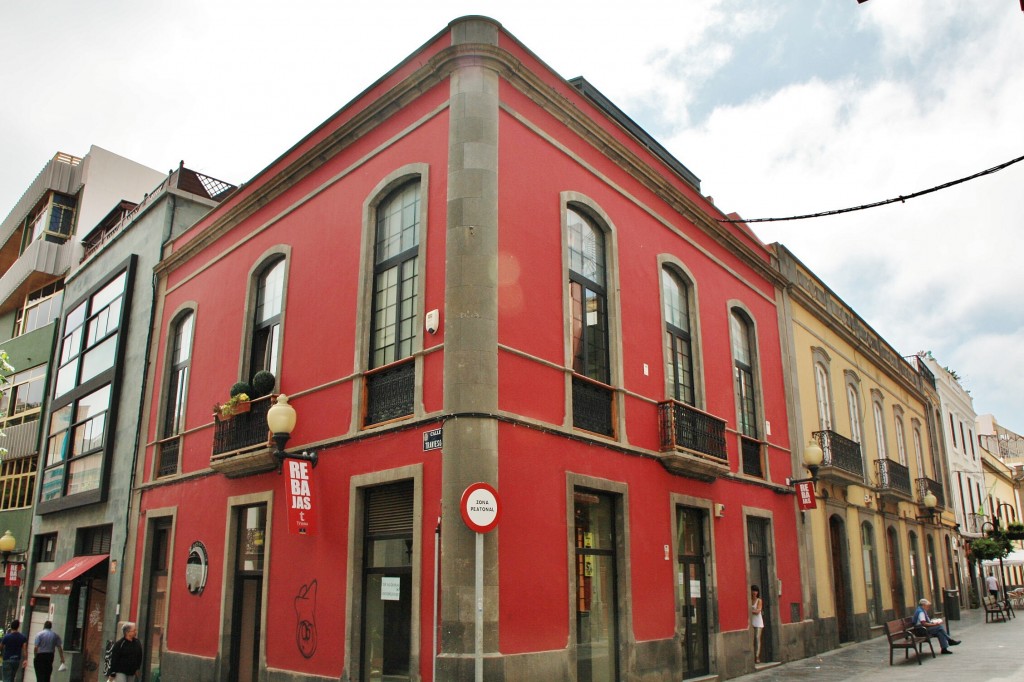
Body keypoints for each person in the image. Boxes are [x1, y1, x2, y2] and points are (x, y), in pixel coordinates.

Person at [750, 584, 764, 663]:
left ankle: (757, 656)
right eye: (753, 590)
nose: (754, 592)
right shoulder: (749, 600)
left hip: (758, 622)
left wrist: (750, 611)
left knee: (757, 638)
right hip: (752, 622)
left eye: (756, 591)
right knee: (752, 639)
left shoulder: (759, 600)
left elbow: (758, 611)